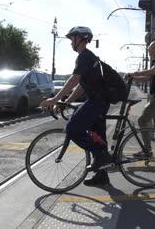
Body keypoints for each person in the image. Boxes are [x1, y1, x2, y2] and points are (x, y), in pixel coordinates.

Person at [40, 26, 112, 186]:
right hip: (99, 101)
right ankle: (102, 175)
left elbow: (74, 79)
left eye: (73, 38)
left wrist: (55, 99)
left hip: (98, 101)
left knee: (73, 128)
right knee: (98, 137)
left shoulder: (84, 56)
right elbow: (81, 86)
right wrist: (67, 101)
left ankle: (101, 156)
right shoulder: (89, 57)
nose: (71, 42)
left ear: (81, 38)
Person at [125, 41, 155, 157]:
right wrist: (134, 78)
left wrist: (134, 73)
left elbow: (151, 72)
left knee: (142, 120)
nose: (148, 50)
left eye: (150, 48)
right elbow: (147, 77)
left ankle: (146, 150)